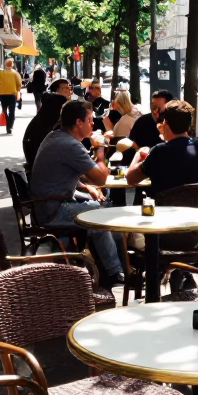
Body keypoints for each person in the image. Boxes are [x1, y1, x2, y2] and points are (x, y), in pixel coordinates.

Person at [29, 99, 124, 286]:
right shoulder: (71, 146)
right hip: (53, 209)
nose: (93, 124)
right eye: (89, 120)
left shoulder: (55, 136)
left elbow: (61, 174)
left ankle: (103, 264)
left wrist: (85, 186)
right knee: (100, 214)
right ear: (78, 123)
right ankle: (114, 271)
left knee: (103, 205)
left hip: (45, 204)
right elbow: (100, 179)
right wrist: (101, 149)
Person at [127, 99, 198, 195]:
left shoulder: (159, 152)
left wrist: (138, 154)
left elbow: (131, 179)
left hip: (167, 208)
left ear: (166, 124)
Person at [22, 92, 66, 172]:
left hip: (37, 168)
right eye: (61, 108)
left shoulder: (40, 119)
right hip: (44, 171)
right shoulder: (48, 125)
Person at [0, 59, 22, 134]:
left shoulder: (0, 73)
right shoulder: (15, 73)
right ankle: (10, 126)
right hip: (12, 95)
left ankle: (7, 124)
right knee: (12, 111)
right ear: (12, 65)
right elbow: (19, 84)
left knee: (4, 110)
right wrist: (17, 90)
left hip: (3, 95)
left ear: (5, 65)